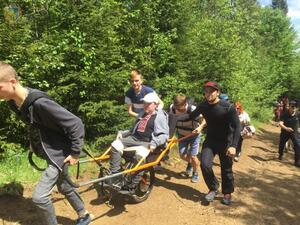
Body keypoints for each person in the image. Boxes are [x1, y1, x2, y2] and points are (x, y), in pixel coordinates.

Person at [0, 62, 91, 225]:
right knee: (64, 186)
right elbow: (37, 125)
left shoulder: (39, 103)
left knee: (39, 198)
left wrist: (76, 152)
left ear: (12, 82)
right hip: (49, 150)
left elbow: (76, 123)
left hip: (59, 154)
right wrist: (33, 144)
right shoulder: (14, 103)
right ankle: (84, 215)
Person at [175, 81, 241, 205]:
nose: (209, 93)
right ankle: (213, 187)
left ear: (218, 92)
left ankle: (227, 192)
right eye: (206, 91)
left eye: (212, 91)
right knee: (205, 165)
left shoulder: (228, 107)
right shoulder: (203, 106)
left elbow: (237, 127)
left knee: (226, 169)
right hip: (210, 140)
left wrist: (233, 146)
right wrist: (173, 117)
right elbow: (190, 116)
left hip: (226, 142)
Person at [110, 92, 169, 190]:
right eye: (144, 103)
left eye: (148, 103)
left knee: (140, 156)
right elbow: (133, 129)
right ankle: (115, 176)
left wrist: (154, 143)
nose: (145, 105)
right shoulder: (142, 114)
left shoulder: (160, 116)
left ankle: (132, 184)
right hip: (134, 139)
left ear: (155, 104)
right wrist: (122, 133)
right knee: (115, 144)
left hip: (147, 142)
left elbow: (164, 135)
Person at [168, 94, 206, 183]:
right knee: (182, 155)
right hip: (181, 135)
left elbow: (205, 119)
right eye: (177, 108)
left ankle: (195, 172)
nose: (179, 110)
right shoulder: (172, 108)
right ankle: (192, 164)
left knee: (193, 156)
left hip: (194, 135)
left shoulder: (192, 109)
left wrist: (200, 127)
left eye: (181, 109)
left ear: (185, 104)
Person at [278, 100, 300, 167]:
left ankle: (297, 161)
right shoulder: (285, 114)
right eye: (292, 106)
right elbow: (280, 123)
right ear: (289, 106)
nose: (294, 108)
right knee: (282, 144)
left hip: (294, 133)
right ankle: (280, 154)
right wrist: (286, 128)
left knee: (298, 146)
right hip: (285, 132)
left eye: (295, 106)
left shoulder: (298, 114)